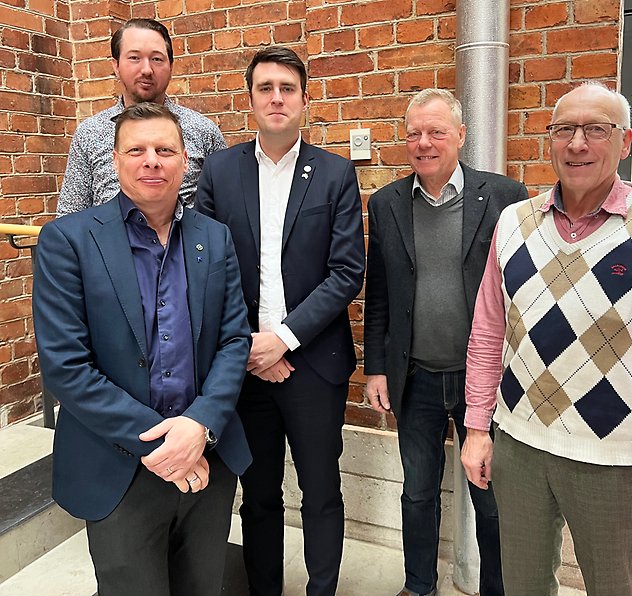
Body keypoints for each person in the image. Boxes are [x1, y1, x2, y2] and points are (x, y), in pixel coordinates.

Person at [462, 82, 632, 596]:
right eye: (564, 129)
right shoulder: (514, 223)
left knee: (613, 587)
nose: (577, 143)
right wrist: (476, 428)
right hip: (519, 448)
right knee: (523, 585)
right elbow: (489, 332)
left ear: (624, 141)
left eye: (596, 130)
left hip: (618, 463)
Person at [32, 103, 251, 596]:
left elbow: (234, 339)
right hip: (118, 466)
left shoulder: (215, 238)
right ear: (115, 160)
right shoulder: (68, 241)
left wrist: (199, 425)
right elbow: (66, 367)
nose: (152, 160)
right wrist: (164, 445)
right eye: (137, 150)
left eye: (165, 150)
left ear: (185, 161)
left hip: (207, 461)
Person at [195, 46, 365, 596]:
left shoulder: (335, 174)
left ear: (304, 100)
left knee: (321, 492)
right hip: (244, 366)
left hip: (313, 365)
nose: (276, 98)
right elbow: (204, 268)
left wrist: (284, 340)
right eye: (265, 88)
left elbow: (346, 272)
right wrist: (249, 345)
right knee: (259, 494)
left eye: (287, 89)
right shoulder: (220, 171)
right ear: (249, 99)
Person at [363, 88, 528, 596]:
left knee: (492, 500)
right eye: (414, 133)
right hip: (416, 378)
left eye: (436, 132)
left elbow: (523, 289)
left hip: (487, 382)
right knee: (417, 494)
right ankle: (419, 586)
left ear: (460, 134)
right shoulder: (387, 204)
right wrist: (376, 368)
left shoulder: (505, 197)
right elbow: (379, 293)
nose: (424, 143)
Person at [56, 18, 226, 216]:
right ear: (116, 65)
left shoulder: (204, 131)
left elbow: (227, 208)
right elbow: (70, 214)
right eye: (134, 58)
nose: (146, 70)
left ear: (171, 66)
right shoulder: (89, 133)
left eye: (157, 59)